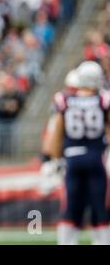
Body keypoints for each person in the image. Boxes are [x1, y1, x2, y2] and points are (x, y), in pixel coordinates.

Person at [44, 61, 110, 245]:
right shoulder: (103, 100)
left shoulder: (64, 100)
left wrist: (52, 158)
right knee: (100, 206)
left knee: (71, 206)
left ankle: (66, 242)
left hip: (72, 158)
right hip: (97, 157)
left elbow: (55, 134)